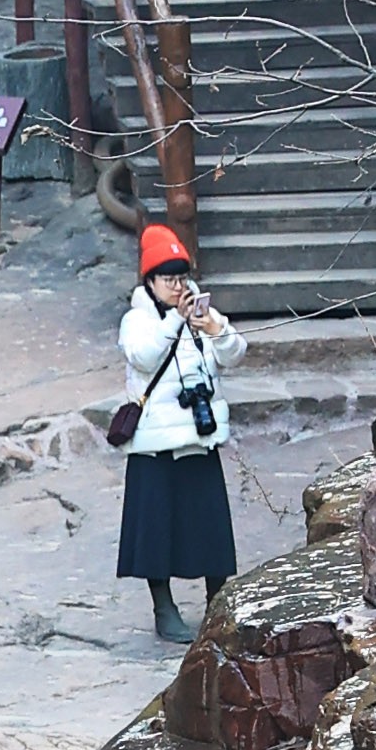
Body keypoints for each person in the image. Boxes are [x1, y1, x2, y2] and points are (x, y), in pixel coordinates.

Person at [116, 221, 238, 637]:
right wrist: (174, 323)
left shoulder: (199, 313)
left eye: (181, 277)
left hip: (199, 438)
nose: (177, 286)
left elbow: (236, 353)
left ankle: (218, 603)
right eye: (168, 278)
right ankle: (163, 609)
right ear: (150, 281)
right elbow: (143, 356)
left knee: (210, 525)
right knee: (157, 530)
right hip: (155, 441)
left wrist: (216, 330)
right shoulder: (137, 319)